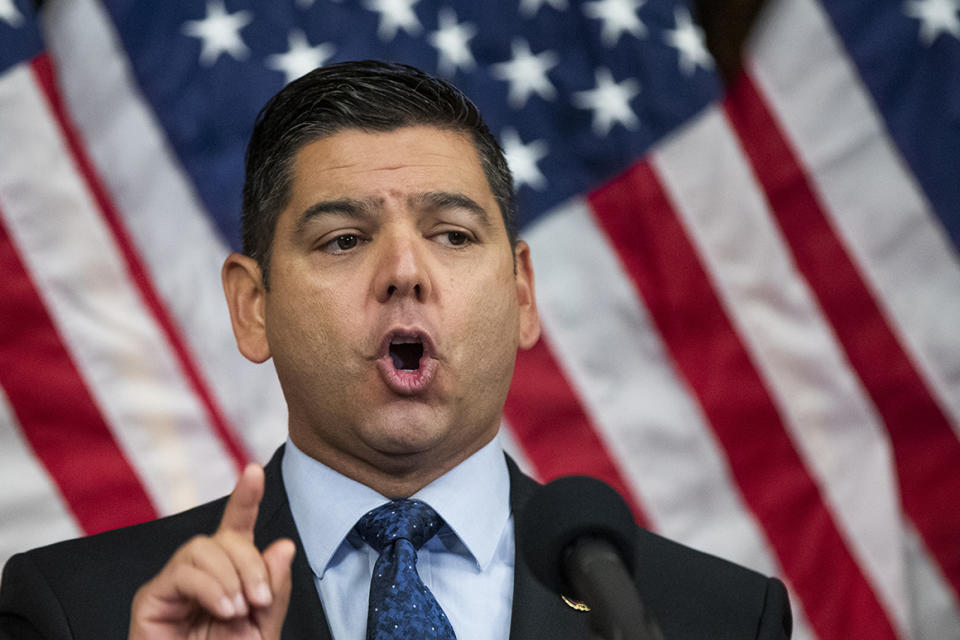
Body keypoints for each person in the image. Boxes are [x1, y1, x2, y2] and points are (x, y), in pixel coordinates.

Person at [0, 60, 792, 640]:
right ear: (253, 307)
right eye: (343, 240)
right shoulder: (78, 611)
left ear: (521, 292)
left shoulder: (715, 616)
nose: (405, 273)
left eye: (451, 235)